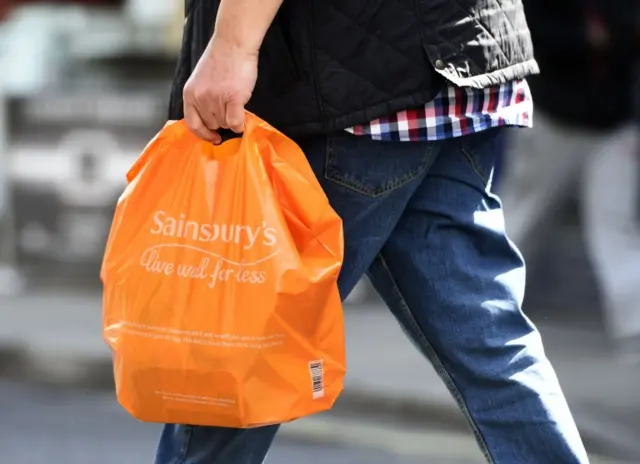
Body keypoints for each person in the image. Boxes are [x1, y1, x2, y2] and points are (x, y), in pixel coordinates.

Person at [156, 0, 589, 462]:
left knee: (240, 351)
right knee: (489, 345)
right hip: (456, 69)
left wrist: (231, 48)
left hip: (349, 87)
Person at [499, 0, 640, 360]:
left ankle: (635, 329)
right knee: (520, 222)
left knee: (617, 231)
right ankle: (484, 313)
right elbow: (532, 35)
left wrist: (604, 37)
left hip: (611, 127)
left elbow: (628, 31)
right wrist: (587, 38)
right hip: (554, 121)